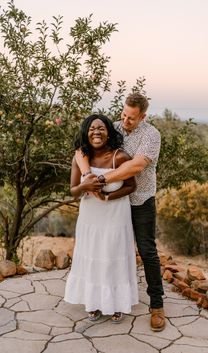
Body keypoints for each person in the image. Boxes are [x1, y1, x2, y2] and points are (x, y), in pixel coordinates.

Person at [76, 93, 165, 331]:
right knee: (110, 251)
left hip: (140, 199)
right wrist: (87, 176)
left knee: (147, 251)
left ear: (143, 117)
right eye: (124, 115)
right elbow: (82, 150)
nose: (125, 121)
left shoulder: (151, 135)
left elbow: (135, 166)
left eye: (131, 118)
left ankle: (157, 306)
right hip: (115, 205)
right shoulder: (112, 127)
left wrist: (102, 179)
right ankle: (106, 298)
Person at [64, 114, 138, 323]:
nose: (96, 132)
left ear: (108, 132)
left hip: (115, 217)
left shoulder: (120, 157)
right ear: (86, 133)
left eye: (101, 128)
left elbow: (132, 186)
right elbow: (73, 191)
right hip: (90, 218)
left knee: (112, 257)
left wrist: (107, 196)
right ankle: (94, 301)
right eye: (92, 129)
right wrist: (84, 186)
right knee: (93, 257)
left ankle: (116, 303)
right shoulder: (80, 158)